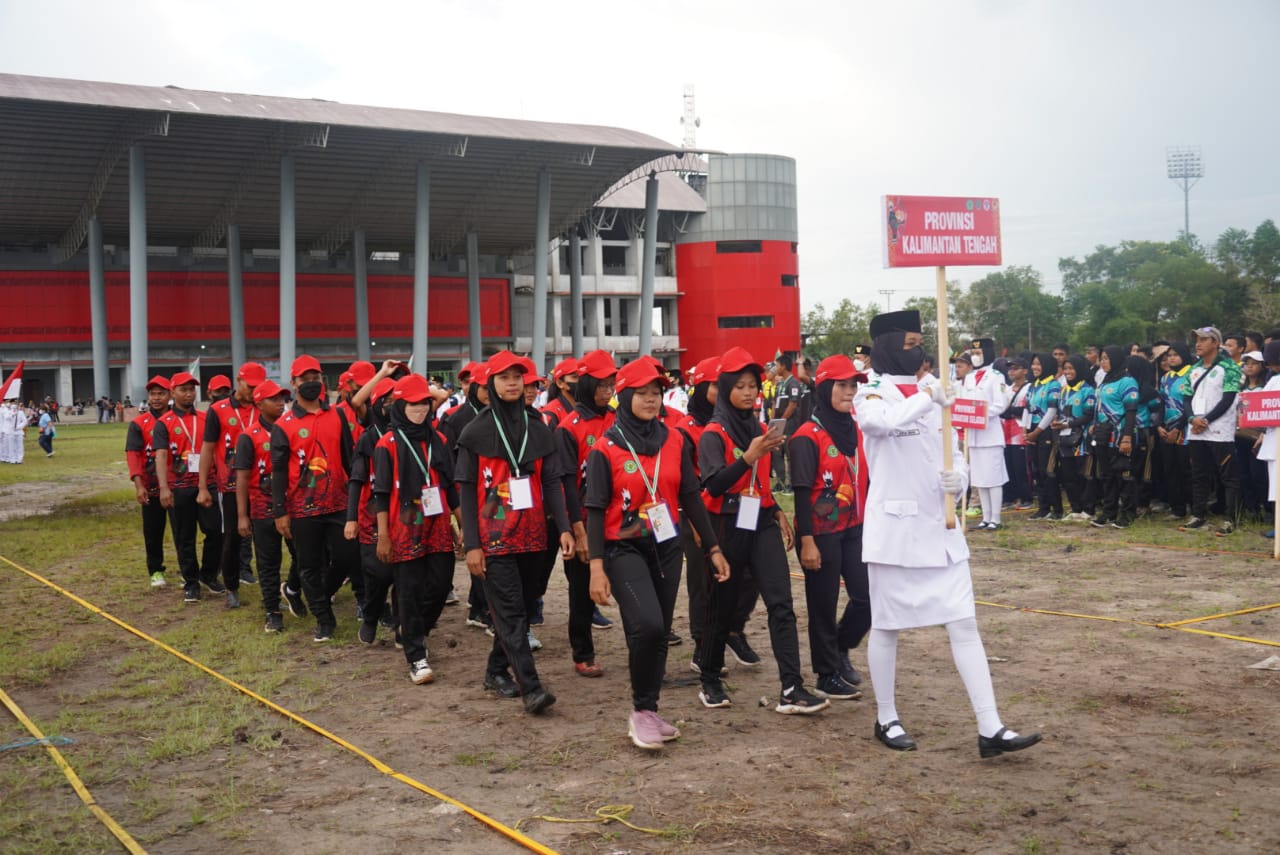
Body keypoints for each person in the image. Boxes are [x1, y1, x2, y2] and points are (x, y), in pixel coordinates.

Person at [855, 308, 1041, 757]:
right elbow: (883, 424)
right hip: (895, 531)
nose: (918, 352)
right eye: (909, 345)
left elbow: (951, 449)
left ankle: (990, 727)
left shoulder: (934, 393)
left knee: (964, 622)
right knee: (887, 627)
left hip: (941, 525)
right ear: (887, 347)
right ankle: (886, 716)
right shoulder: (870, 393)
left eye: (921, 343)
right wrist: (929, 395)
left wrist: (956, 477)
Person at [585, 358, 729, 749]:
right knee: (646, 625)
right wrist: (596, 567)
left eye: (657, 393)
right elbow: (595, 510)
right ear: (625, 394)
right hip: (622, 548)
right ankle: (639, 711)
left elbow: (688, 495)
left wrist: (712, 546)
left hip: (667, 546)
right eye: (643, 393)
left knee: (660, 631)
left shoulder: (675, 439)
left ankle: (650, 710)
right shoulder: (606, 448)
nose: (651, 400)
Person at [697, 345, 829, 714]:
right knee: (722, 606)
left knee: (781, 604)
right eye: (739, 386)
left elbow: (764, 480)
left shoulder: (761, 428)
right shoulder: (713, 433)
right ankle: (709, 677)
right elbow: (713, 486)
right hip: (726, 524)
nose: (749, 392)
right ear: (724, 389)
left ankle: (792, 688)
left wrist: (778, 511)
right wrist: (748, 456)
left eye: (753, 385)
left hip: (762, 522)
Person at [456, 350, 574, 715]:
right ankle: (532, 687)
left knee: (520, 608)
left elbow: (552, 482)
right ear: (489, 384)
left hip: (536, 536)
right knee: (510, 612)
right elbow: (465, 490)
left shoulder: (539, 428)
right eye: (504, 377)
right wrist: (472, 545)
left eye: (517, 377)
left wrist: (565, 528)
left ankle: (495, 671)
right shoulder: (473, 432)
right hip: (494, 541)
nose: (512, 383)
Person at [790, 354, 871, 700]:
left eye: (853, 385)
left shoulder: (858, 427)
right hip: (820, 534)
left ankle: (840, 646)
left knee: (870, 597)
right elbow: (801, 493)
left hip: (857, 527)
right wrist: (806, 542)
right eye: (842, 385)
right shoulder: (806, 436)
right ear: (824, 388)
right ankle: (826, 674)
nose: (850, 391)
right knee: (823, 603)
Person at [374, 374, 462, 684]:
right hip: (403, 529)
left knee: (440, 587)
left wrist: (462, 524)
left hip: (437, 525)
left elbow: (450, 487)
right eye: (413, 405)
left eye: (424, 403)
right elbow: (381, 494)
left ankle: (414, 630)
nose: (420, 410)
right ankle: (416, 655)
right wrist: (383, 535)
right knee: (408, 591)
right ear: (399, 406)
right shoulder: (387, 444)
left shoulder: (438, 440)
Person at [271, 355, 360, 641]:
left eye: (315, 378)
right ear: (293, 382)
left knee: (347, 557)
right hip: (302, 508)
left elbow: (349, 460)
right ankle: (324, 619)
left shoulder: (337, 416)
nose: (311, 384)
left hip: (338, 503)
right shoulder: (283, 425)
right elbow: (279, 472)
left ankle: (321, 596)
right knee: (308, 565)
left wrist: (358, 499)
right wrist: (280, 511)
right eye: (304, 379)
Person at [556, 349, 618, 677]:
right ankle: (583, 651)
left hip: (618, 517)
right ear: (586, 385)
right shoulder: (569, 427)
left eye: (612, 384)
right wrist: (577, 530)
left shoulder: (618, 419)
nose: (608, 391)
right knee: (580, 592)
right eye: (602, 385)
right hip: (583, 519)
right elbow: (565, 484)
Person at [197, 362, 268, 606]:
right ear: (238, 381)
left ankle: (269, 592)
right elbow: (207, 448)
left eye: (259, 387)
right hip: (229, 486)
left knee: (265, 540)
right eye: (250, 386)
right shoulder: (218, 410)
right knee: (232, 538)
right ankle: (231, 588)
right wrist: (203, 486)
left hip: (262, 486)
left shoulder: (265, 407)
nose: (254, 391)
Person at [153, 371, 223, 603]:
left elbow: (215, 449)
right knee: (184, 536)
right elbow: (161, 456)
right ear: (173, 392)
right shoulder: (164, 423)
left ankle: (209, 574)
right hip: (179, 485)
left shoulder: (205, 418)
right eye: (183, 389)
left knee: (214, 531)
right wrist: (164, 488)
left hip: (207, 483)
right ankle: (191, 582)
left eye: (192, 389)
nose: (189, 393)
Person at [674, 356, 723, 674]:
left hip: (726, 514)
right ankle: (701, 647)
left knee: (726, 581)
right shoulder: (683, 429)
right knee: (701, 582)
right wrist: (691, 522)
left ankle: (722, 639)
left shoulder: (728, 424)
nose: (723, 391)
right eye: (717, 385)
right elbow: (681, 482)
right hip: (695, 515)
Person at [234, 380, 292, 632]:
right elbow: (243, 479)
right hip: (262, 509)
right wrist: (242, 516)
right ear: (259, 403)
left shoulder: (290, 428)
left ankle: (292, 589)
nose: (281, 403)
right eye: (274, 399)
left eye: (282, 398)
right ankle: (273, 610)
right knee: (268, 563)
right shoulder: (248, 437)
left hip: (292, 508)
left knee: (303, 557)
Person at [1181, 326, 1241, 536]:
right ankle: (1198, 515)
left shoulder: (1229, 367)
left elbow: (1229, 398)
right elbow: (1186, 397)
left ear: (1216, 343)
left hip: (1219, 430)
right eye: (1197, 339)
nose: (1198, 343)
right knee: (1199, 474)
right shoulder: (1193, 369)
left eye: (1204, 339)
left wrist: (1206, 420)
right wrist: (1192, 418)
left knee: (1227, 476)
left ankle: (1230, 518)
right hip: (1196, 430)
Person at [125, 376, 173, 588]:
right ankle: (155, 570)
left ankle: (187, 571)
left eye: (161, 393)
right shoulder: (138, 424)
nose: (156, 398)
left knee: (183, 532)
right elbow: (133, 455)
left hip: (177, 486)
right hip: (151, 487)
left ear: (169, 395)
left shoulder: (177, 420)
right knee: (153, 532)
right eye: (153, 394)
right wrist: (139, 485)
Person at [963, 337, 1011, 530]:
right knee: (980, 480)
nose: (975, 357)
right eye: (973, 354)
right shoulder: (967, 377)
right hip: (973, 435)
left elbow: (1000, 404)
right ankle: (986, 516)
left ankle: (996, 518)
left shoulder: (996, 376)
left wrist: (979, 415)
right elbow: (963, 402)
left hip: (990, 433)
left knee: (993, 478)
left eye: (979, 353)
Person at [1053, 356, 1098, 521]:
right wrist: (1057, 423)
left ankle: (1088, 509)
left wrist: (1067, 425)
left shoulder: (1088, 390)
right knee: (1068, 475)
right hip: (1065, 440)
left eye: (1071, 368)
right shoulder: (1063, 390)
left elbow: (1088, 415)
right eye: (1065, 369)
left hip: (1082, 440)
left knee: (1084, 475)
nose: (1068, 372)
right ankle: (1075, 508)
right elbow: (1060, 412)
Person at [1157, 343, 1193, 520]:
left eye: (1175, 355)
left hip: (1186, 430)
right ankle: (1177, 508)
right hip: (1167, 430)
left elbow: (1191, 405)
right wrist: (1159, 425)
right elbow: (1162, 403)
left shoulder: (1192, 374)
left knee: (1187, 470)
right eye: (1169, 355)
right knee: (1170, 470)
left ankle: (1194, 508)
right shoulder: (1165, 378)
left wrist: (1178, 428)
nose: (1171, 358)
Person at [1024, 353, 1063, 520]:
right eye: (1033, 364)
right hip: (1032, 431)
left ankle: (1057, 509)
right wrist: (1025, 432)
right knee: (1037, 471)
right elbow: (1027, 408)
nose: (1034, 367)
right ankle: (1043, 507)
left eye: (1038, 364)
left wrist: (1036, 432)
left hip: (1045, 431)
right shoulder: (1032, 386)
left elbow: (1052, 410)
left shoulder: (1053, 385)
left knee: (1048, 471)